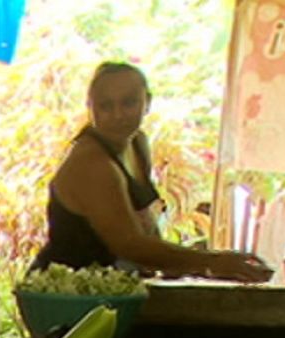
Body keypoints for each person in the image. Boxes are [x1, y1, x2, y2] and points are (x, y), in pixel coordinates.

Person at [31, 62, 271, 281]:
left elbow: (144, 229)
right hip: (68, 289)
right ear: (90, 108)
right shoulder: (92, 162)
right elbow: (130, 245)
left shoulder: (137, 142)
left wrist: (182, 260)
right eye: (105, 106)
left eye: (128, 103)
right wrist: (211, 262)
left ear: (147, 103)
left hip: (112, 283)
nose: (118, 115)